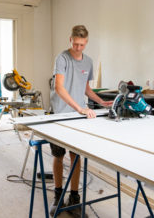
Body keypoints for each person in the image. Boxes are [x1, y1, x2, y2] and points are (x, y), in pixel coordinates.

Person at [49, 25, 112, 217]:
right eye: (75, 44)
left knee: (76, 157)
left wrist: (101, 102)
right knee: (58, 156)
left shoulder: (88, 62)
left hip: (78, 116)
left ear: (86, 43)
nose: (78, 48)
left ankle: (74, 198)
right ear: (70, 40)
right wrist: (79, 107)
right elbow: (59, 88)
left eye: (81, 45)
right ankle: (58, 196)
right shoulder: (62, 58)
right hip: (60, 114)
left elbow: (85, 89)